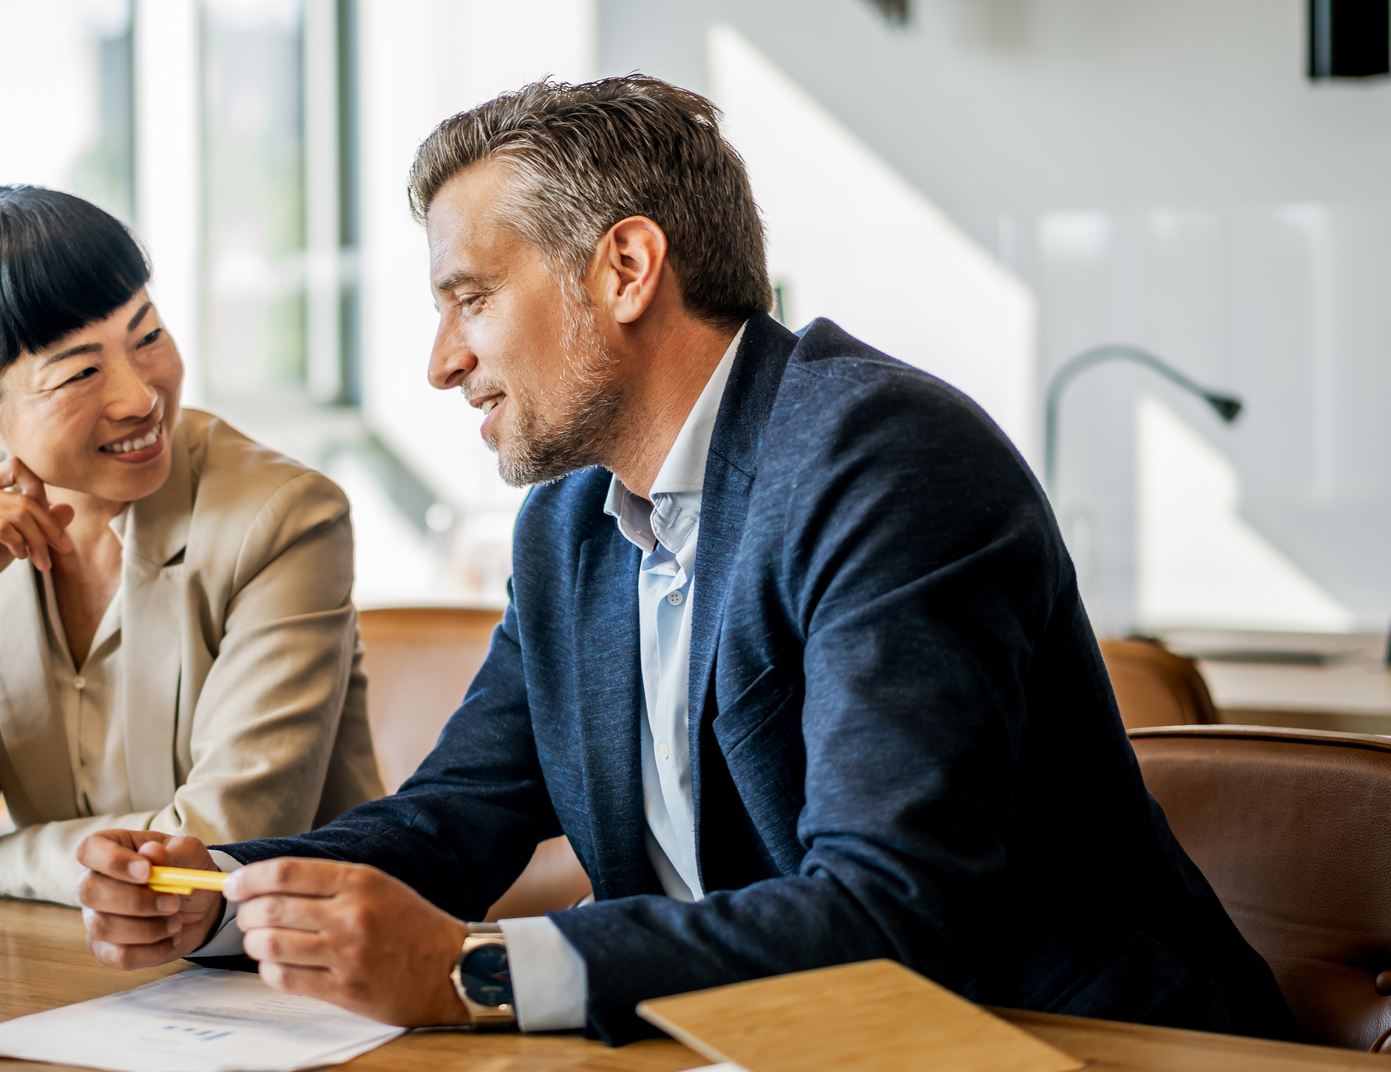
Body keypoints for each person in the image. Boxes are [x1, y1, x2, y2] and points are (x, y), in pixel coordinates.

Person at [69, 77, 1301, 1045]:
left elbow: (895, 910)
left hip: (1072, 1046)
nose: (441, 360)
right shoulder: (571, 527)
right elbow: (456, 824)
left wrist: (474, 972)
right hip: (760, 1044)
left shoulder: (884, 460)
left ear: (624, 269)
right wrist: (215, 892)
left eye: (471, 299)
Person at [0, 187, 382, 906]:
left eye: (148, 336)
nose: (140, 397)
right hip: (59, 969)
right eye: (80, 372)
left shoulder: (281, 517)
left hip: (273, 972)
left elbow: (218, 846)